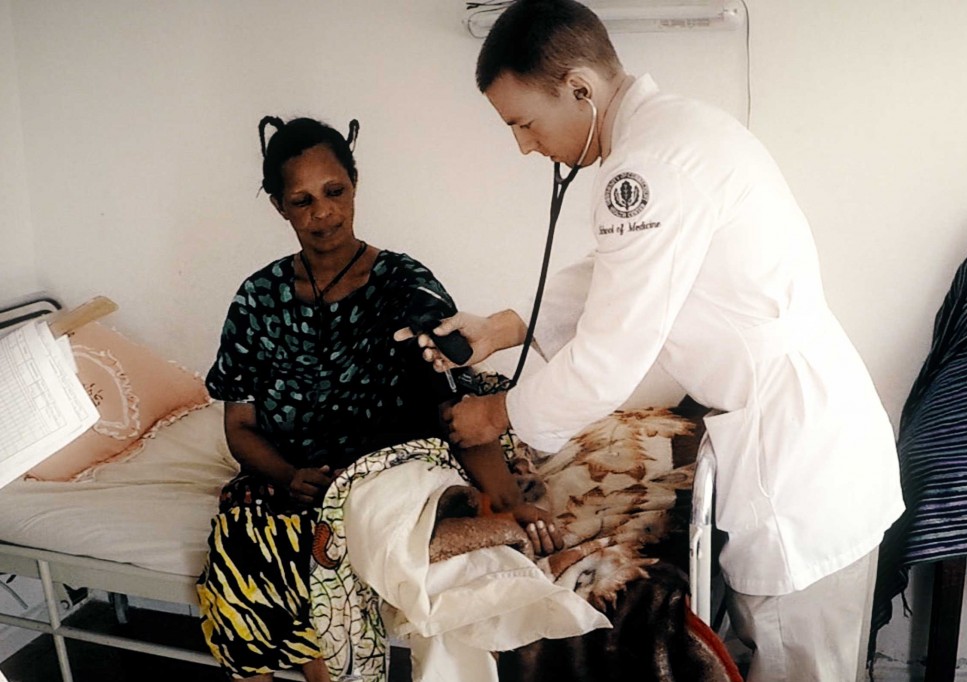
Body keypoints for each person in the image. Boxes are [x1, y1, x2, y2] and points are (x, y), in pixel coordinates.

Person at [400, 1, 905, 680]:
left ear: (580, 87)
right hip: (807, 434)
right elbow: (619, 275)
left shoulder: (647, 169)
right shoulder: (677, 134)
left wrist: (496, 415)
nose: (524, 145)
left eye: (524, 123)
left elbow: (608, 357)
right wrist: (499, 327)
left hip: (797, 462)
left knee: (801, 666)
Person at [195, 115, 559, 682]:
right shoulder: (256, 299)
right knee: (248, 530)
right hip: (292, 474)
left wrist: (508, 500)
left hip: (386, 472)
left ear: (355, 184)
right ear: (279, 208)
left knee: (332, 536)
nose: (322, 214)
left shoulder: (404, 285)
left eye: (334, 192)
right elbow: (240, 427)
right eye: (302, 201)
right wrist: (290, 475)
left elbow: (455, 410)